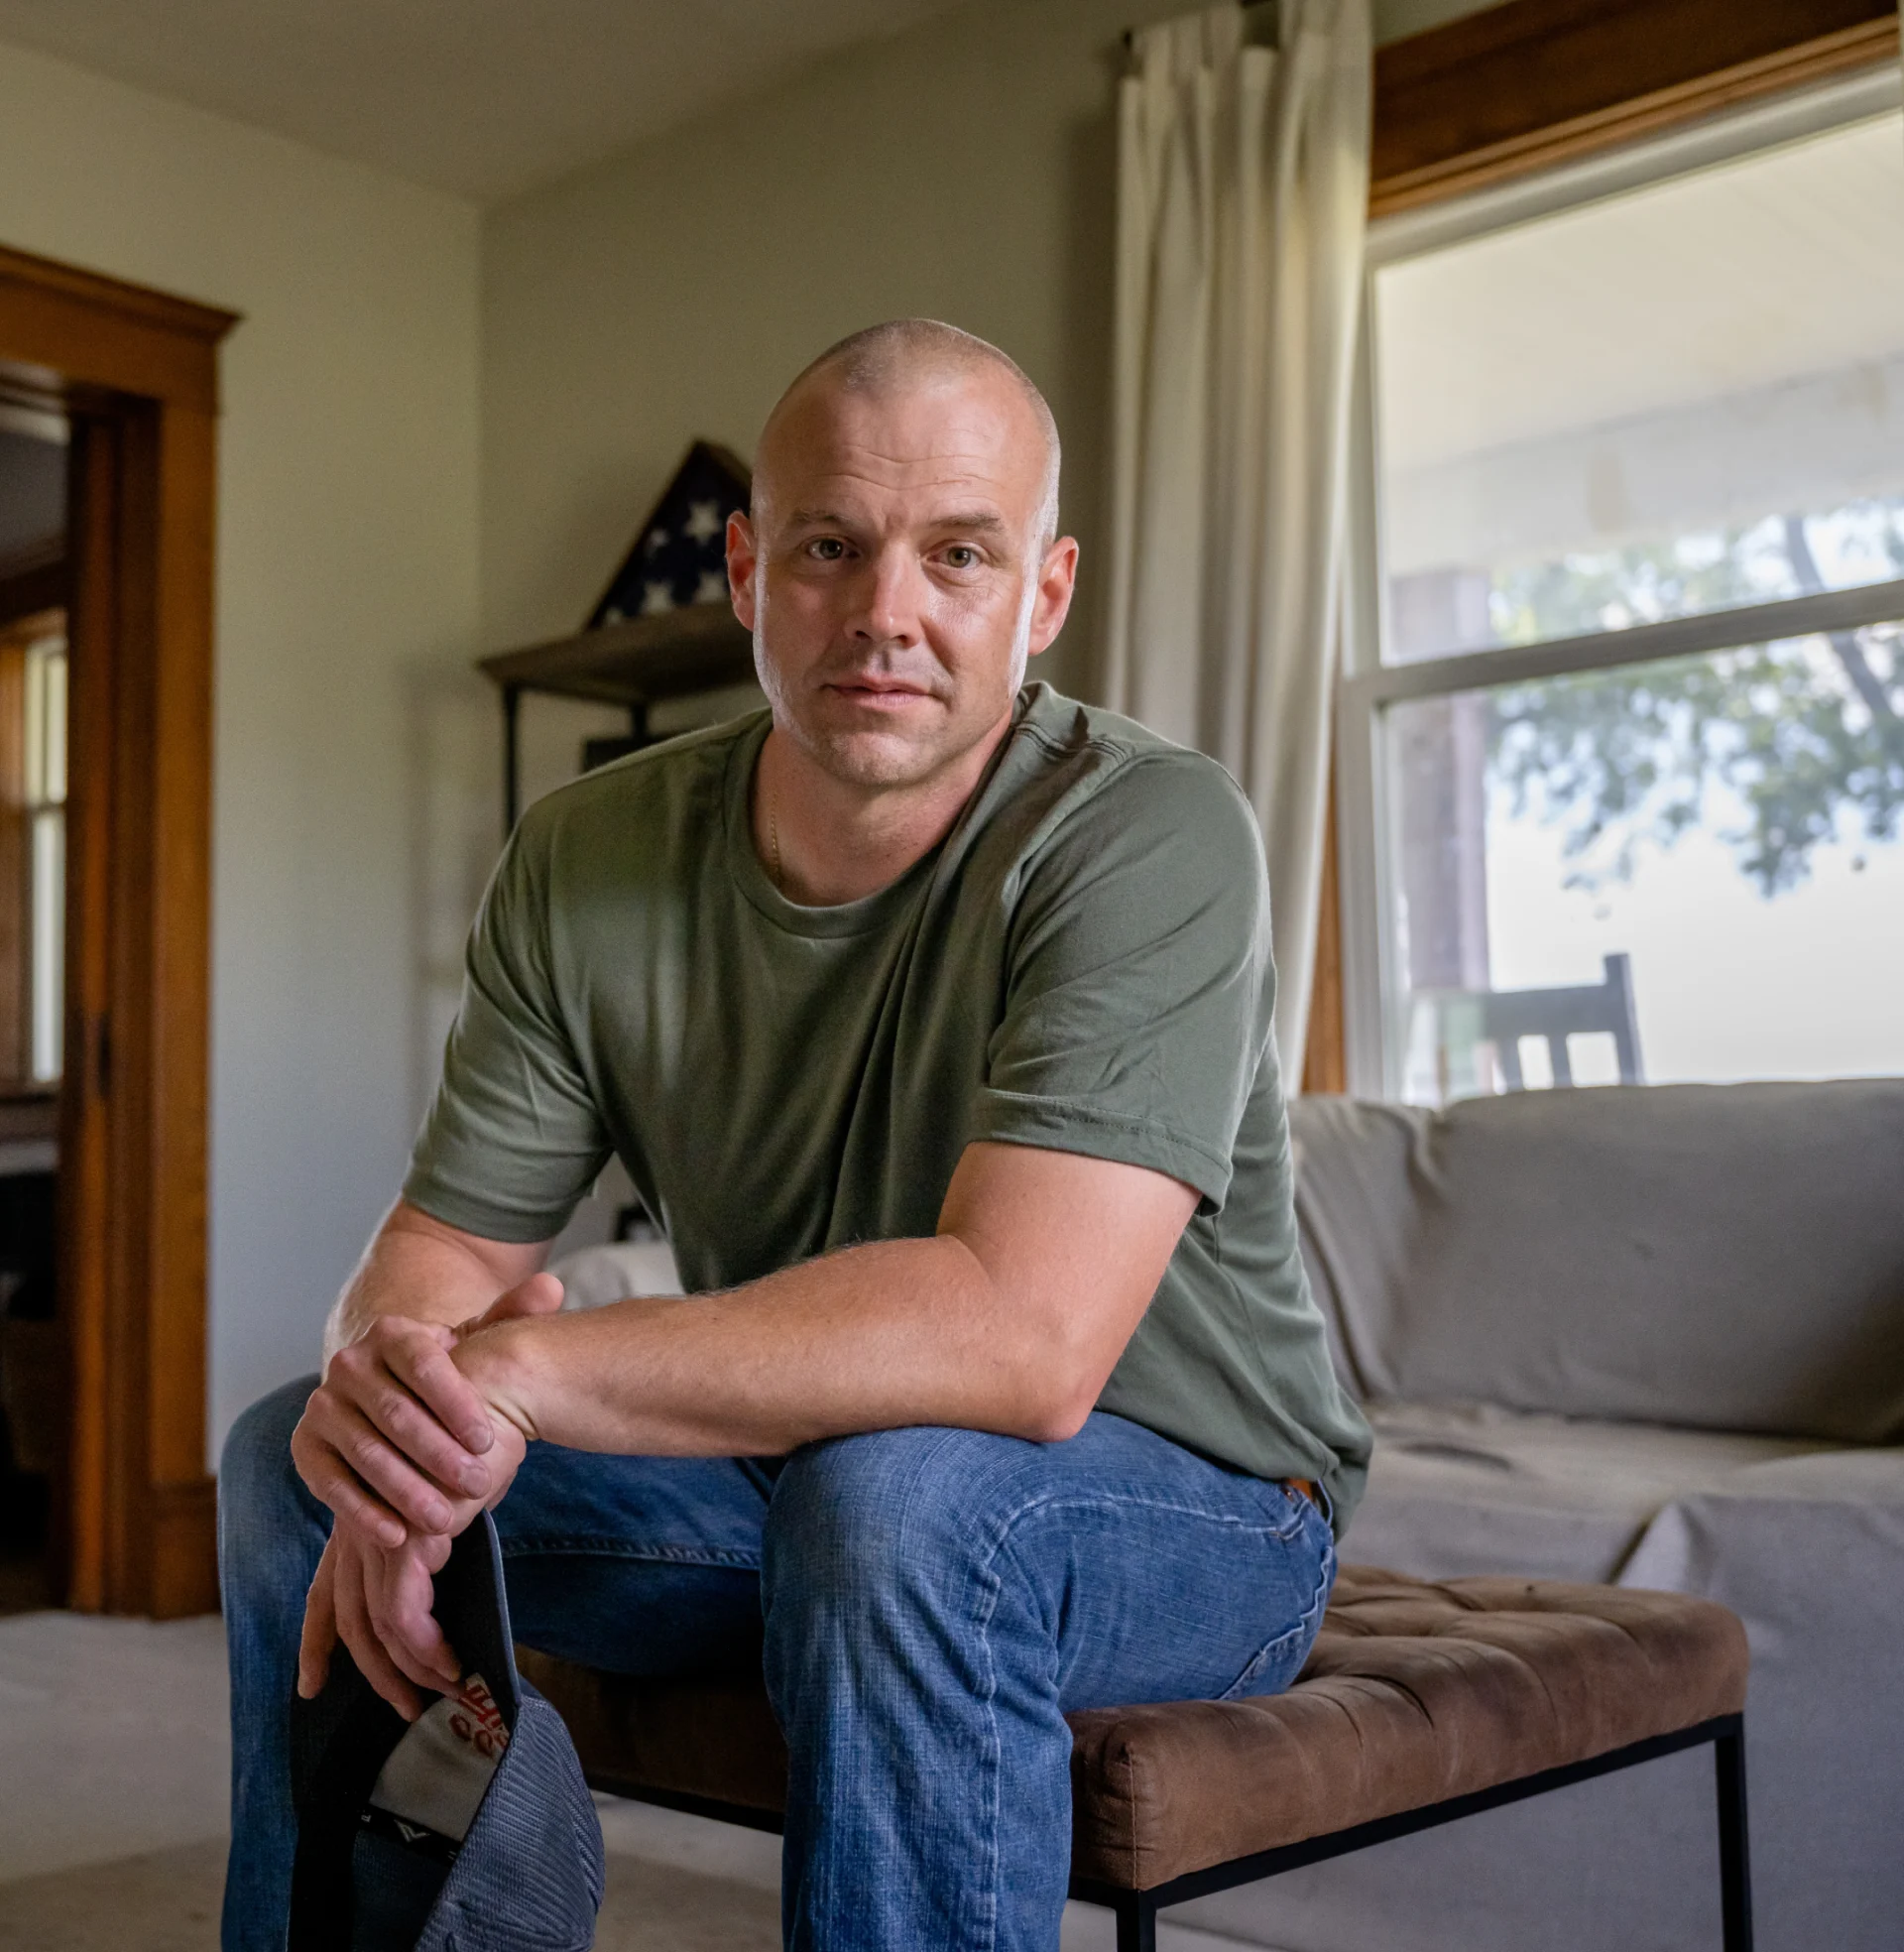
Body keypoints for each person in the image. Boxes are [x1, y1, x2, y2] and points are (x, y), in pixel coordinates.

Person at [218, 318, 1372, 1952]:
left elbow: (1027, 1340)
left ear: (1041, 598)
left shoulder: (1147, 830)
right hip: (792, 1481)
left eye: (958, 555)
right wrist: (406, 1425)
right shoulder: (588, 856)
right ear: (753, 574)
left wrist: (530, 1374)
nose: (887, 612)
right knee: (296, 1455)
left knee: (898, 1505)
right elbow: (445, 1254)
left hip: (1196, 1508)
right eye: (834, 546)